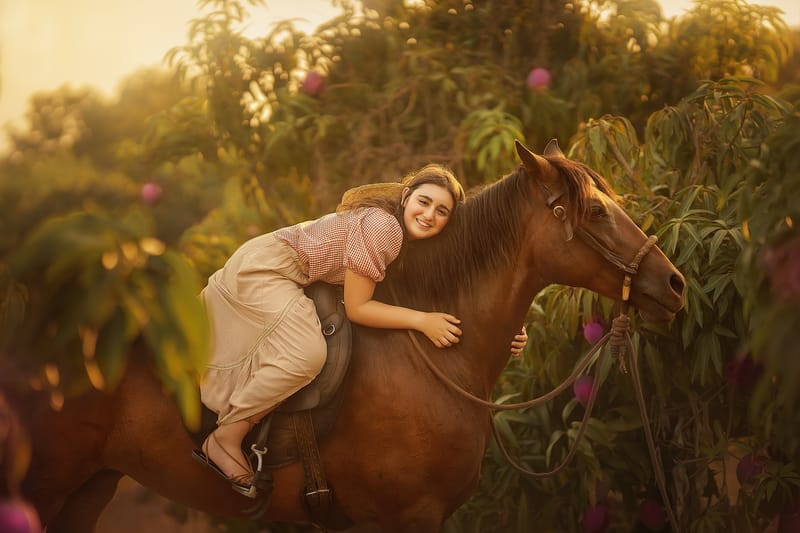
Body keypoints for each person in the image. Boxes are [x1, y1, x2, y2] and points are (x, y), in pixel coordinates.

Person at [193, 164, 528, 496]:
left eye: (441, 211)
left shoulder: (404, 238)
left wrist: (509, 333)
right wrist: (421, 321)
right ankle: (227, 437)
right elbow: (358, 308)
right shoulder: (384, 227)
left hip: (287, 268)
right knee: (304, 356)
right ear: (407, 195)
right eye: (424, 202)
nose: (429, 215)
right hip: (270, 268)